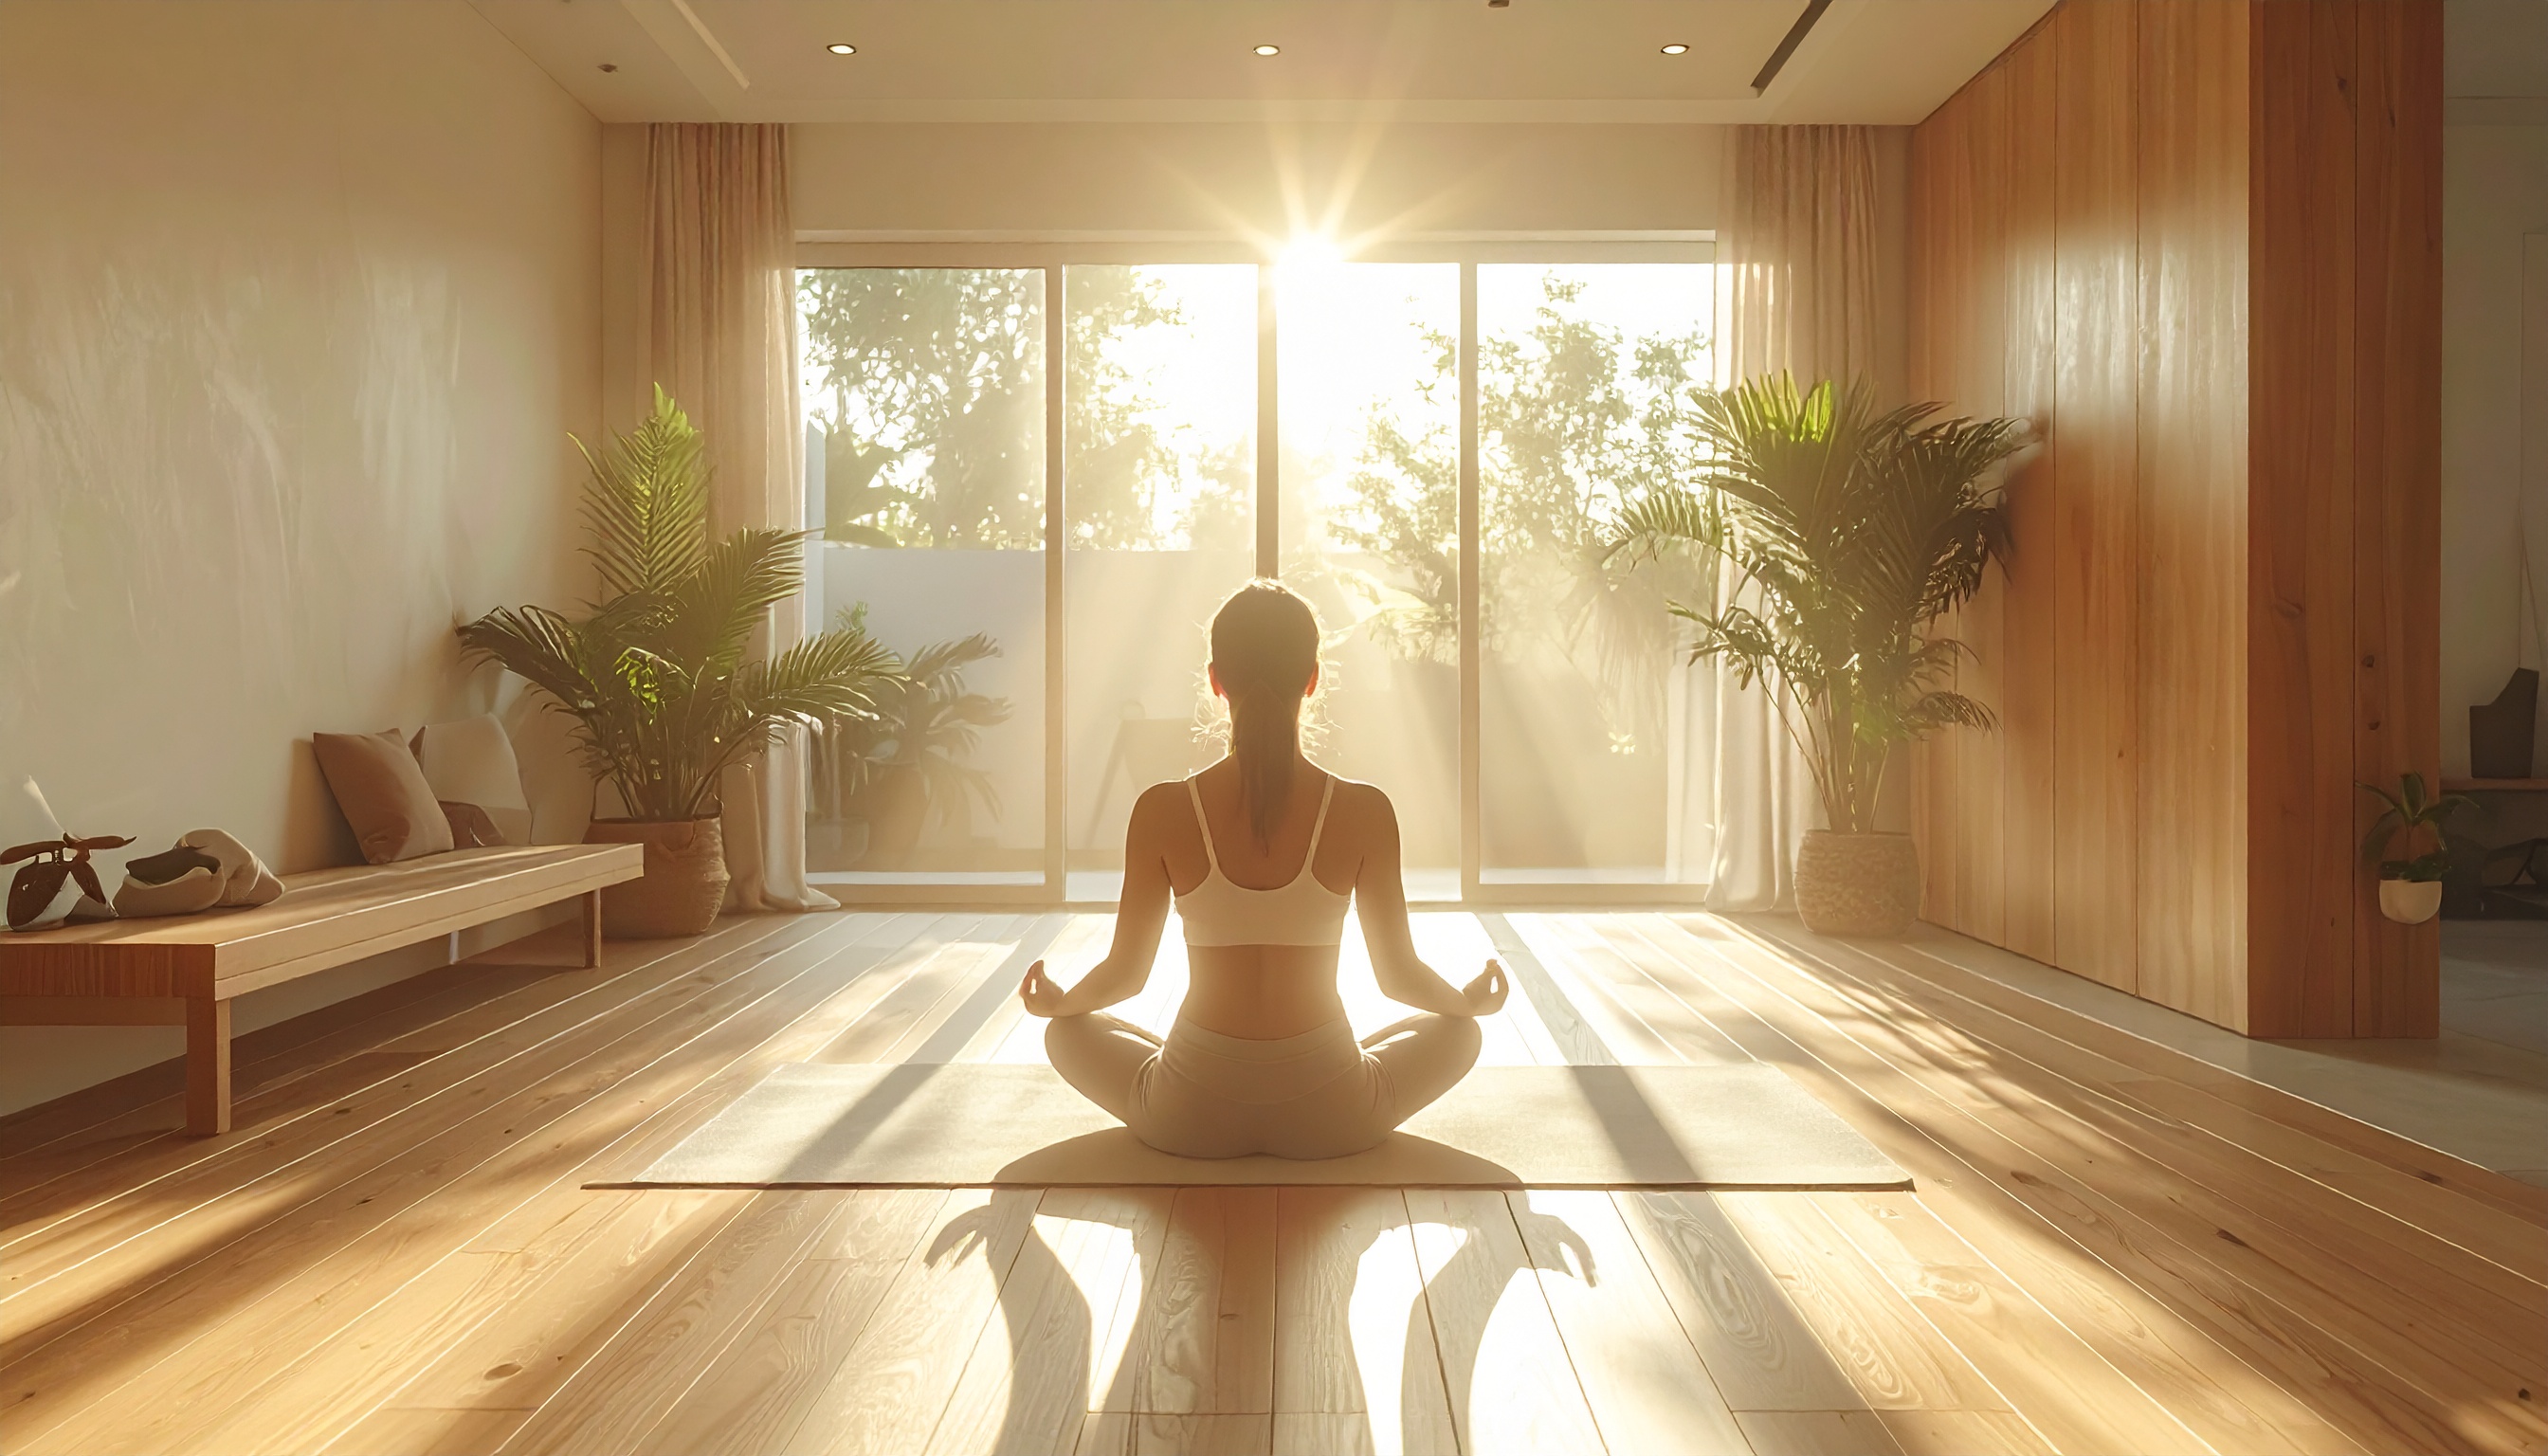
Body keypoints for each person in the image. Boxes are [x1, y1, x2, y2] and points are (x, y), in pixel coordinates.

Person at [1020, 580, 1507, 1159]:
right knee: (1458, 1033)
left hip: (1189, 1115)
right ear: (1313, 678)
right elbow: (1397, 977)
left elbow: (1126, 975)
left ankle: (1179, 1067)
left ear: (1215, 679)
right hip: (1334, 1115)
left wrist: (1060, 1003)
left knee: (1069, 1031)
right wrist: (1464, 1003)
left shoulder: (1162, 809)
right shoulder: (1365, 810)